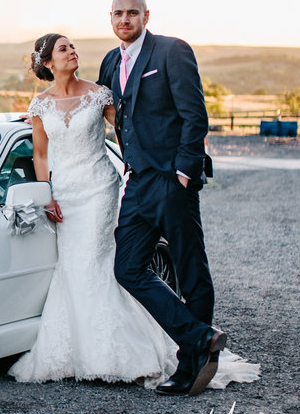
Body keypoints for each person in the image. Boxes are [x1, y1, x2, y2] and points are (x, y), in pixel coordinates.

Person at [97, 0, 256, 396]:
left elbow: (194, 114)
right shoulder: (111, 61)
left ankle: (190, 367)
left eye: (132, 13)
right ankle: (200, 337)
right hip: (137, 182)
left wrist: (185, 171)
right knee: (127, 268)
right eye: (118, 13)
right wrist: (45, 105)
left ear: (146, 16)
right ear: (110, 18)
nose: (125, 19)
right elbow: (95, 103)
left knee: (189, 269)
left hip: (171, 179)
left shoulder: (172, 51)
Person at [9, 32, 177, 385]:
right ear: (48, 63)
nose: (72, 52)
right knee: (73, 268)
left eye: (72, 47)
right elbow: (40, 154)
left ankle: (121, 352)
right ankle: (78, 352)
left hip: (100, 189)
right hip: (65, 197)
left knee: (97, 263)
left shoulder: (99, 94)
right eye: (63, 49)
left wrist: (144, 164)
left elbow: (126, 130)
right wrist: (46, 196)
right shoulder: (40, 105)